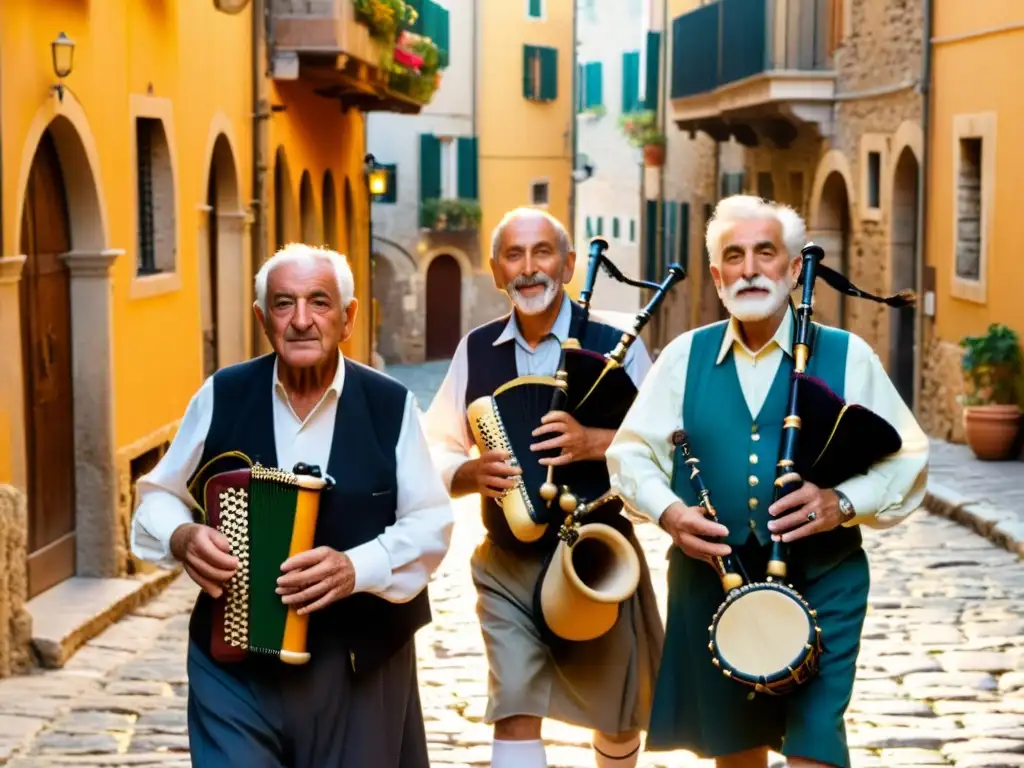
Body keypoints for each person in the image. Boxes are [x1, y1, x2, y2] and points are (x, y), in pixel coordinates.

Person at [605, 194, 930, 768]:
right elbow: (630, 456)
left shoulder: (847, 355)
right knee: (735, 751)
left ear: (794, 267)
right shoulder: (684, 357)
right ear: (715, 274)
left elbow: (908, 459)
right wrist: (671, 515)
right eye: (734, 255)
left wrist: (842, 502)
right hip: (713, 582)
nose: (750, 268)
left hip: (824, 577)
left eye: (765, 252)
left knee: (815, 741)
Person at [130, 243, 454, 767]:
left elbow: (432, 523)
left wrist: (356, 566)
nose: (301, 320)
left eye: (319, 302)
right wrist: (182, 536)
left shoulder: (390, 405)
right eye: (284, 304)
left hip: (359, 666)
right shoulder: (222, 393)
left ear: (348, 318)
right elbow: (158, 496)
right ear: (263, 318)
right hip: (235, 666)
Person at [423, 207, 665, 768]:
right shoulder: (475, 349)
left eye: (542, 253)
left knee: (617, 714)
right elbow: (436, 446)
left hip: (601, 558)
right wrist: (465, 474)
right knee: (513, 704)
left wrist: (596, 442)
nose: (529, 269)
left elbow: (665, 447)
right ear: (495, 269)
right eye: (514, 255)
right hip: (507, 560)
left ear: (570, 264)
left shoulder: (617, 346)